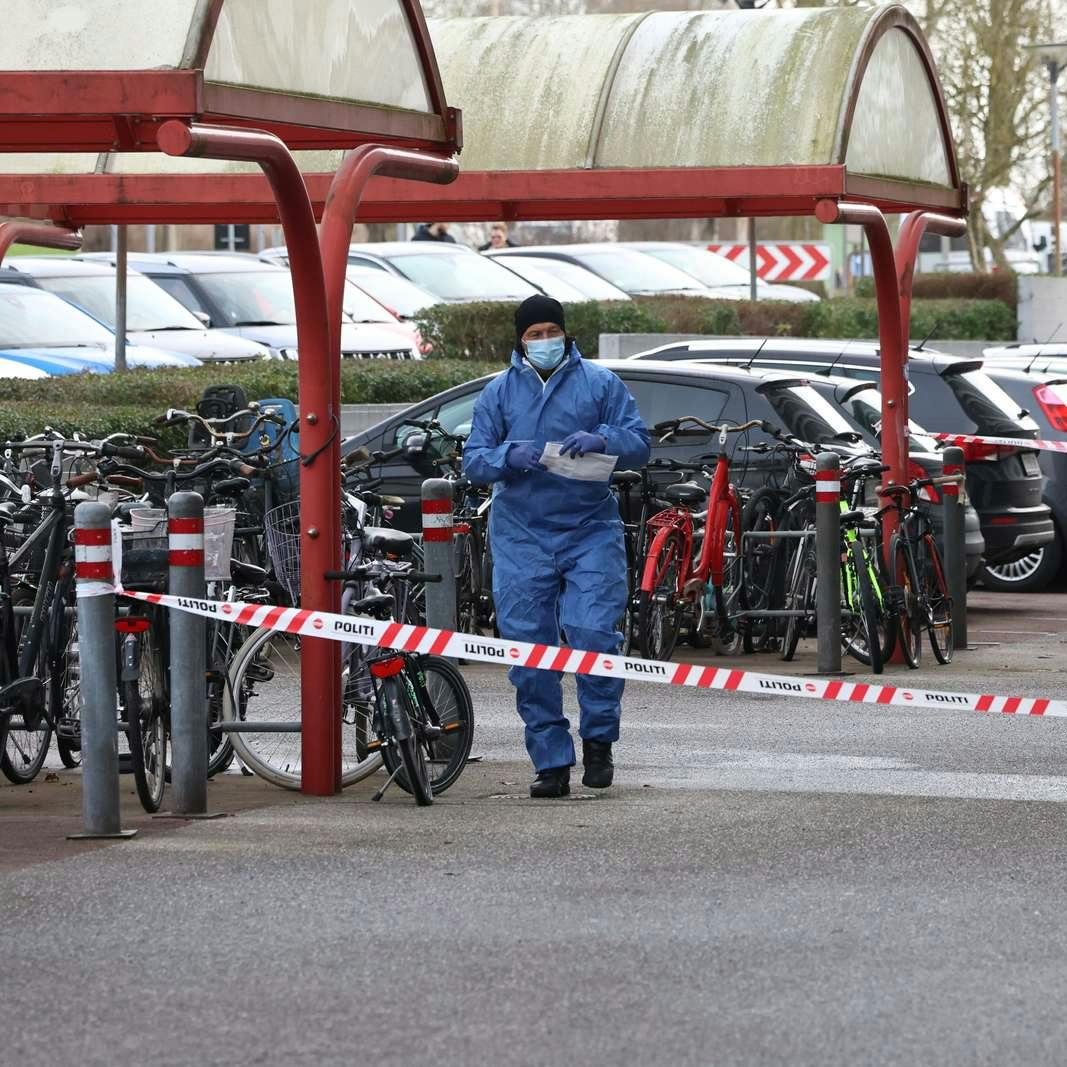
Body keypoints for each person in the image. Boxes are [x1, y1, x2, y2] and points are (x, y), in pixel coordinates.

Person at [463, 295, 650, 798]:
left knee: (594, 634)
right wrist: (508, 455)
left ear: (566, 334)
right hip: (520, 534)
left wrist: (604, 438)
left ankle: (599, 740)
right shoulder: (498, 392)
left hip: (590, 528)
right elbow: (474, 460)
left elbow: (639, 442)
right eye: (534, 334)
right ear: (520, 340)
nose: (544, 340)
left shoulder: (601, 384)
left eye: (551, 330)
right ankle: (550, 761)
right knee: (529, 652)